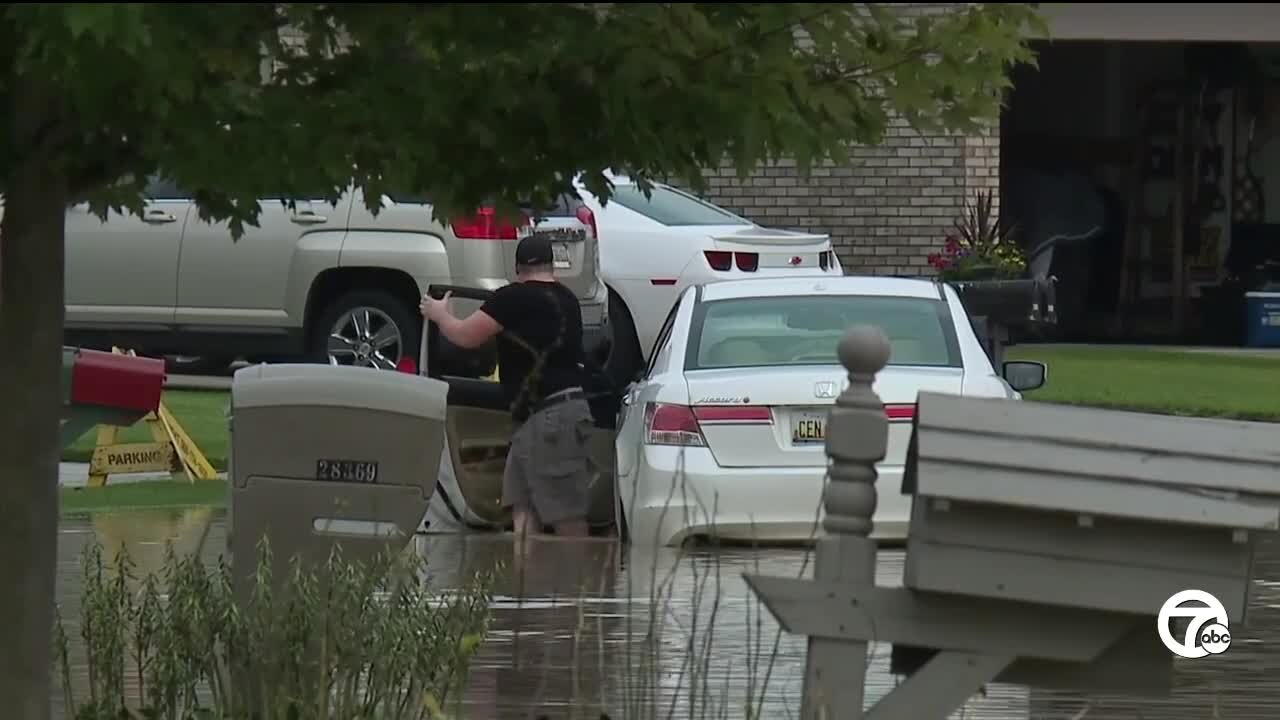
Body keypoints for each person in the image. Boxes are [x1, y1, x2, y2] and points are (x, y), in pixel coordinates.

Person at [420, 233, 595, 539]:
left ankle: (575, 582)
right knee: (521, 503)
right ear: (552, 266)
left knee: (566, 516)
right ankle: (526, 580)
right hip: (551, 415)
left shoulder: (512, 298)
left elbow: (465, 337)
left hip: (549, 418)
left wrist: (439, 315)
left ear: (517, 269)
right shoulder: (568, 300)